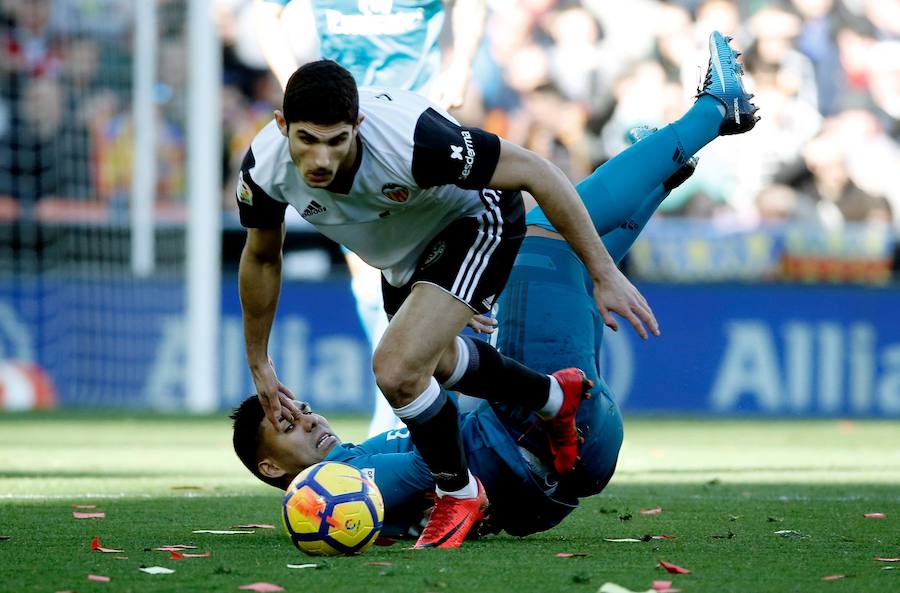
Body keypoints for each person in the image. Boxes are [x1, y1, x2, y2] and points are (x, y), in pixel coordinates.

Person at [235, 32, 757, 547]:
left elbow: (535, 171)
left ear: (358, 128)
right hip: (539, 443)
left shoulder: (415, 141)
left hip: (550, 457)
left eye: (297, 410)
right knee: (532, 261)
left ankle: (674, 152)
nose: (306, 415)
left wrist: (600, 273)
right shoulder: (336, 489)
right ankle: (693, 130)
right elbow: (261, 254)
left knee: (540, 260)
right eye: (290, 423)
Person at [250, 0, 487, 436]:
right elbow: (265, 11)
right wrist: (296, 88)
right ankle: (404, 408)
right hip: (343, 142)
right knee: (372, 280)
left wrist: (460, 66)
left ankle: (419, 407)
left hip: (410, 129)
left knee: (454, 251)